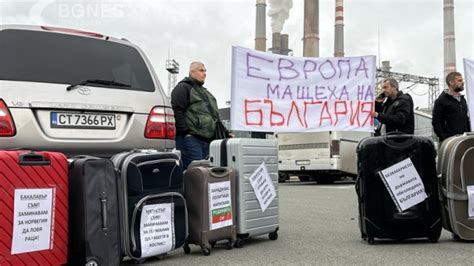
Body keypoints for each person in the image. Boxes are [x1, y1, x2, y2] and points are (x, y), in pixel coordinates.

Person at [171, 61, 230, 168]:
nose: (204, 73)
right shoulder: (183, 88)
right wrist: (186, 133)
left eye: (205, 71)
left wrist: (226, 133)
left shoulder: (206, 93)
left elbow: (214, 116)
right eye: (201, 70)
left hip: (207, 142)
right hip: (191, 140)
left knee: (204, 174)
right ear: (192, 71)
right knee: (194, 172)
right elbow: (177, 110)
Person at [432, 71, 471, 142]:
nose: (463, 82)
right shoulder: (441, 101)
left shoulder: (463, 100)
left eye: (462, 80)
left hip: (464, 140)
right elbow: (436, 122)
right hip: (450, 142)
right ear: (451, 82)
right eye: (459, 80)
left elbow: (466, 119)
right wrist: (445, 138)